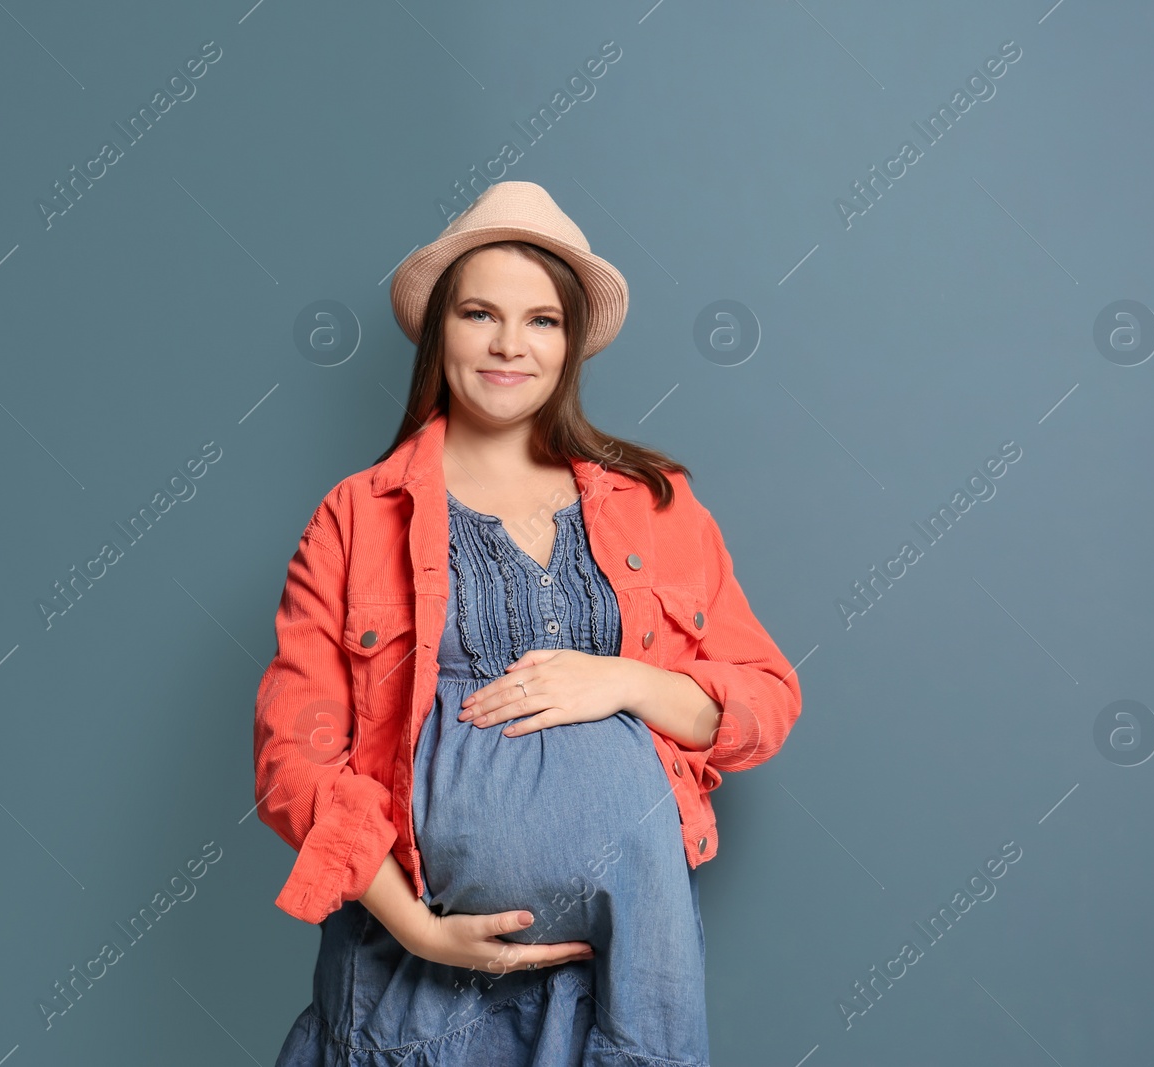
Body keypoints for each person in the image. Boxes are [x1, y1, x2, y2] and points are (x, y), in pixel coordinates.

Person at [254, 181, 802, 1065]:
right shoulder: (356, 517)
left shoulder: (657, 507)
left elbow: (764, 701)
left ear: (571, 342)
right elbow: (293, 755)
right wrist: (418, 929)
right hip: (416, 981)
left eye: (542, 320)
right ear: (442, 331)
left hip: (625, 982)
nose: (511, 344)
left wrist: (626, 680)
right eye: (481, 313)